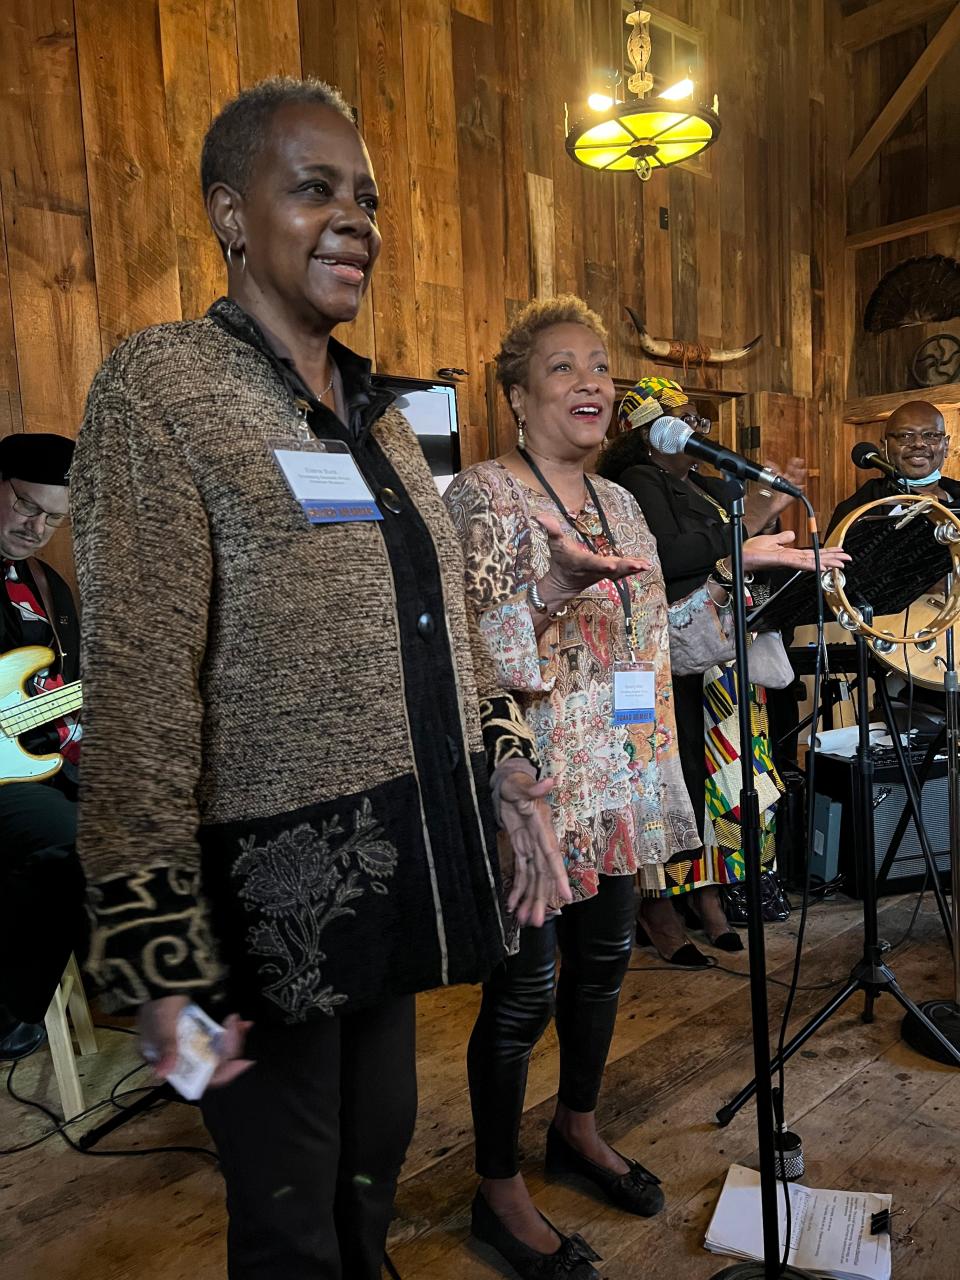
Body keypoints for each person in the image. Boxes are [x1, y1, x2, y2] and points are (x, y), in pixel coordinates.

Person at [70, 77, 567, 1280]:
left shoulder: (386, 417)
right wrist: (155, 956)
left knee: (375, 1165)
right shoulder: (161, 389)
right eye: (316, 189)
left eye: (368, 198)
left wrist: (506, 769)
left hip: (397, 871)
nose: (358, 220)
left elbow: (448, 636)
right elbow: (135, 695)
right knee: (289, 1221)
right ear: (231, 214)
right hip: (265, 896)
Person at [444, 298, 832, 1280]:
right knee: (526, 986)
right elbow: (471, 662)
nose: (589, 381)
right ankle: (496, 1186)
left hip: (619, 774)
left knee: (606, 965)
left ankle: (576, 1126)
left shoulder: (623, 505)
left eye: (600, 365)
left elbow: (660, 648)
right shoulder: (484, 498)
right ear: (517, 392)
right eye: (562, 365)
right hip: (531, 788)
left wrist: (767, 579)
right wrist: (549, 593)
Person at [597, 376, 841, 962]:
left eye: (695, 419)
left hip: (722, 656)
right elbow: (666, 557)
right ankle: (658, 907)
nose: (694, 431)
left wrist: (760, 519)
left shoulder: (702, 485)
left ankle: (707, 893)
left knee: (717, 788)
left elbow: (739, 541)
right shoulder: (636, 481)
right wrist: (747, 527)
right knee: (669, 781)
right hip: (666, 658)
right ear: (648, 434)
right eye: (679, 419)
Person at [0, 431, 87, 1060]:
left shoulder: (44, 583)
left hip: (49, 762)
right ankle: (9, 1009)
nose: (38, 528)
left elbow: (73, 685)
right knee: (76, 848)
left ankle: (185, 1028)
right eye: (28, 507)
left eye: (55, 518)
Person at [827, 400, 960, 534]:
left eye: (931, 435)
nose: (919, 444)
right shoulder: (857, 511)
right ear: (885, 447)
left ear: (946, 446)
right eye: (905, 436)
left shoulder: (955, 496)